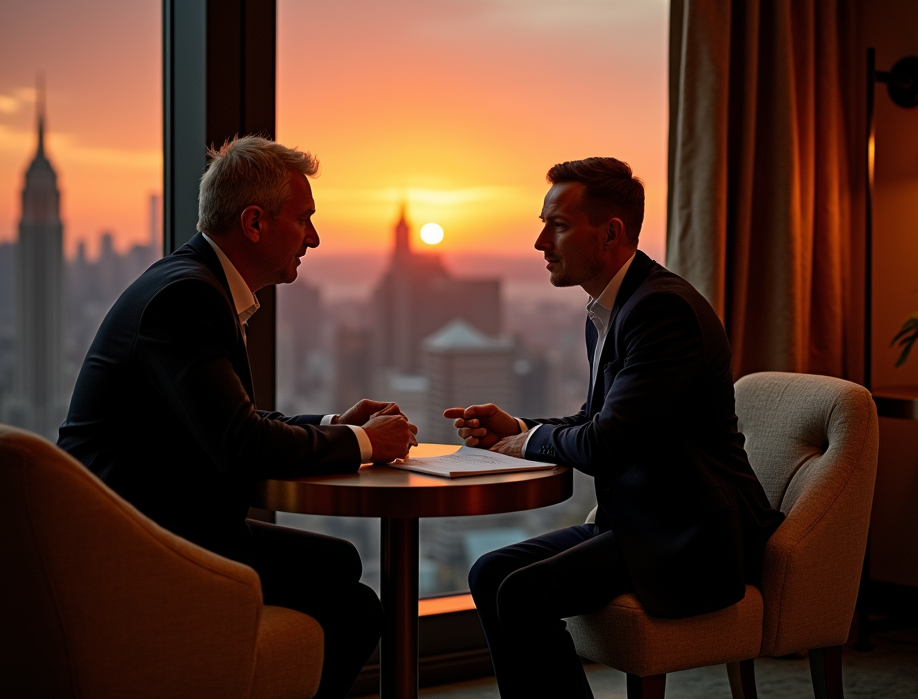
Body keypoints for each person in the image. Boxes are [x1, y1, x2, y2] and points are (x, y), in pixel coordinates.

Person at [59, 135, 417, 699]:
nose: (316, 238)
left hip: (156, 519)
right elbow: (240, 443)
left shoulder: (188, 281)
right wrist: (365, 442)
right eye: (304, 220)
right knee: (354, 608)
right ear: (254, 223)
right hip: (140, 541)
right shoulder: (187, 297)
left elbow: (228, 419)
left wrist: (333, 424)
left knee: (341, 561)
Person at [443, 157, 784, 699]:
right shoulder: (613, 306)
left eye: (556, 226)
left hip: (689, 537)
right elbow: (600, 420)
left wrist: (526, 442)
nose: (539, 243)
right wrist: (522, 426)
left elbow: (607, 444)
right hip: (641, 522)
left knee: (521, 593)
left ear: (611, 233)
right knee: (490, 571)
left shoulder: (660, 311)